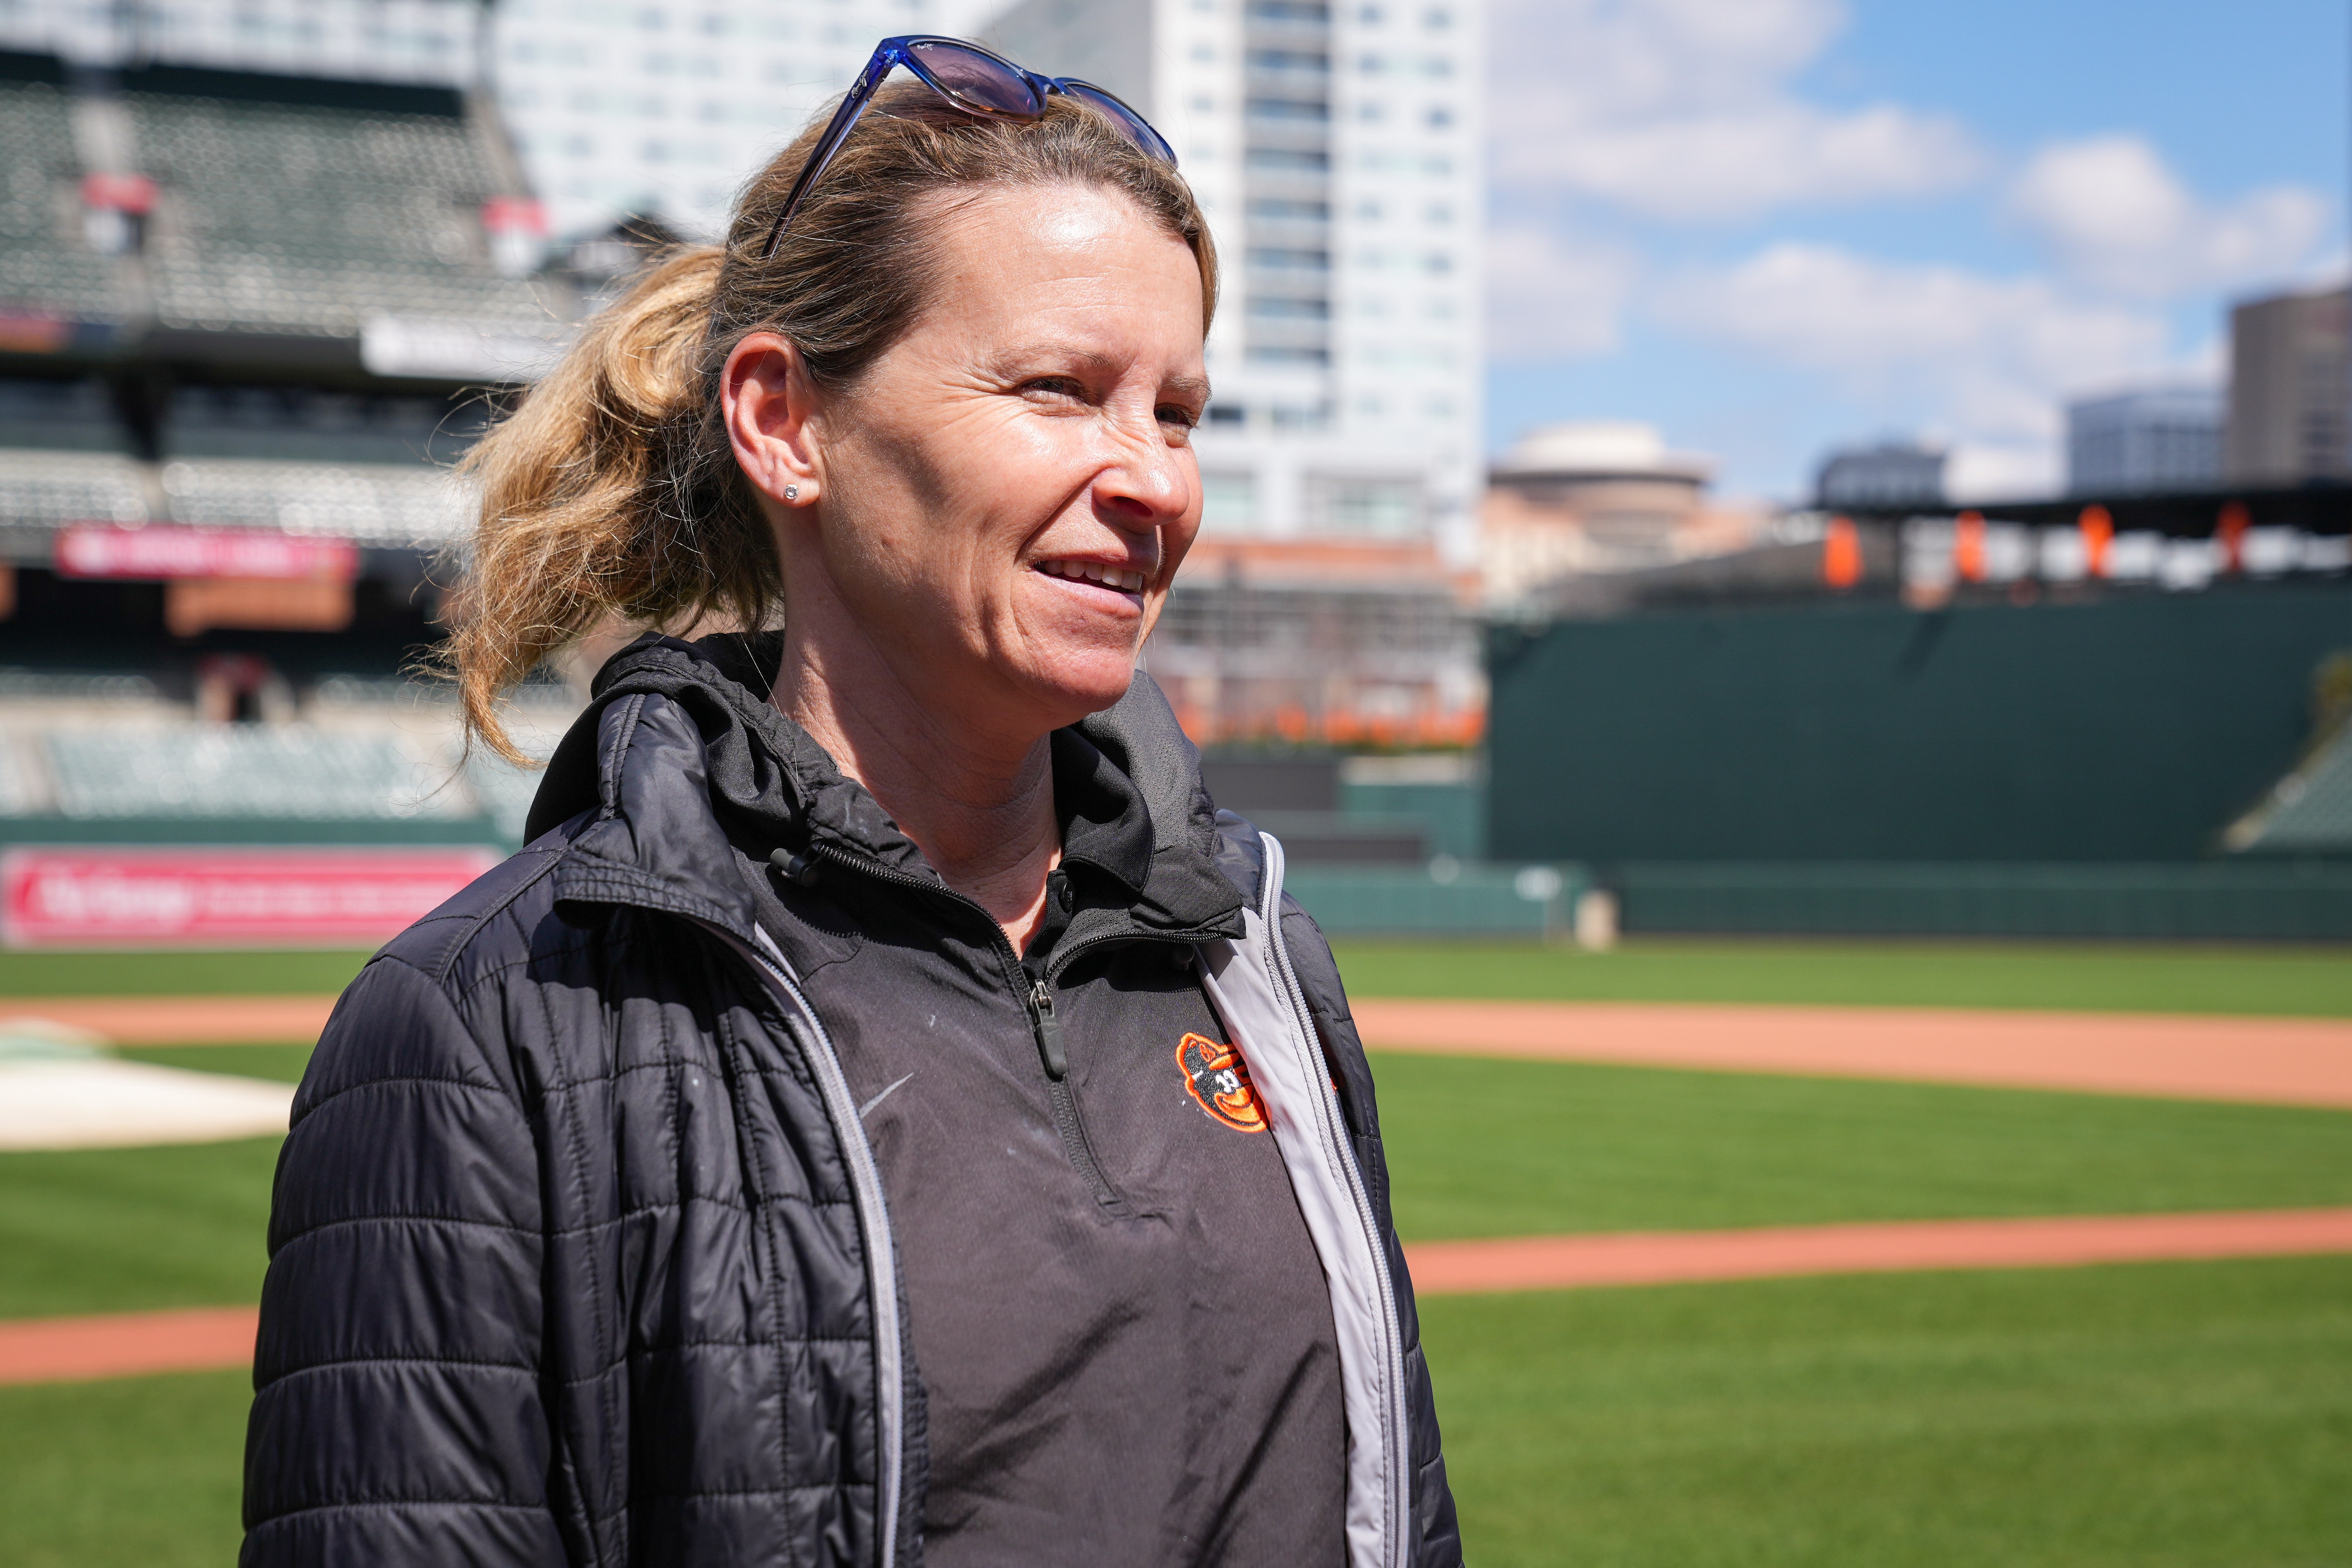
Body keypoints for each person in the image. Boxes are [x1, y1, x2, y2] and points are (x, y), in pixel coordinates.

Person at [240, 36, 1458, 1568]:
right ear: (782, 422)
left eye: (1178, 410)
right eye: (1058, 391)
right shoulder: (488, 1026)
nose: (1152, 479)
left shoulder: (1258, 966)